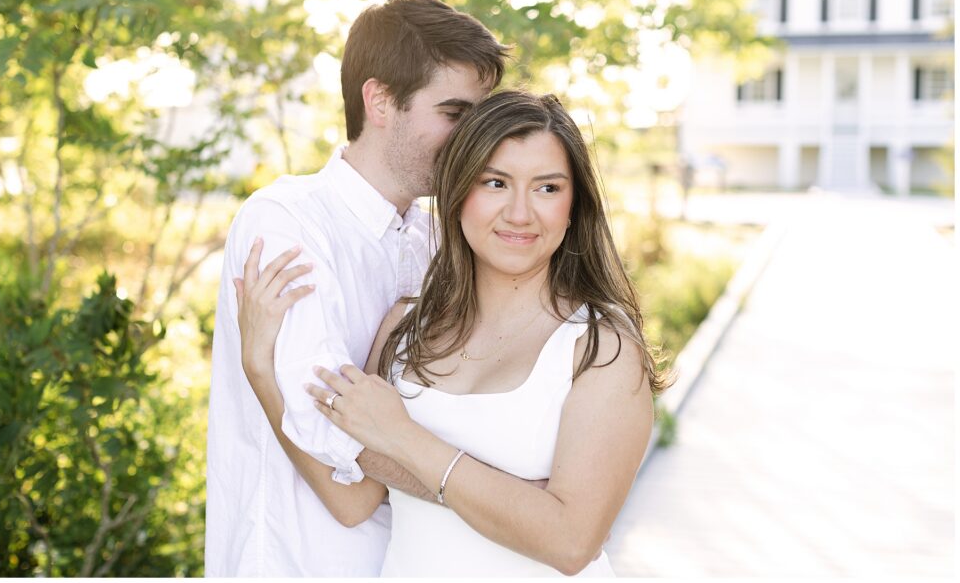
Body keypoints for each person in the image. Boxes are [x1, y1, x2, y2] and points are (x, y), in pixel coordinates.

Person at [238, 90, 672, 576]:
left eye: (548, 188)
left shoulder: (601, 348)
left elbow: (571, 543)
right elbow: (353, 501)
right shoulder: (405, 330)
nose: (520, 213)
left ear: (574, 206)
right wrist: (260, 370)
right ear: (458, 191)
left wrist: (404, 437)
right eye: (495, 183)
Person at [204, 0, 510, 576]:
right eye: (454, 115)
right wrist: (524, 498)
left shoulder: (437, 238)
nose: (476, 141)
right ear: (380, 101)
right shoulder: (288, 222)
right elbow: (350, 466)